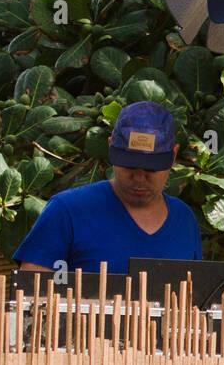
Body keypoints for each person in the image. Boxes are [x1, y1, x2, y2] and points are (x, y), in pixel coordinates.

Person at [13, 101, 202, 274]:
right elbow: (30, 295)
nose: (139, 177)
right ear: (111, 147)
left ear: (173, 156)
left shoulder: (184, 219)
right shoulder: (66, 211)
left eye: (150, 169)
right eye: (129, 165)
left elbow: (196, 301)